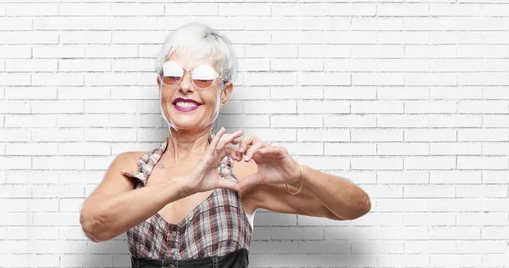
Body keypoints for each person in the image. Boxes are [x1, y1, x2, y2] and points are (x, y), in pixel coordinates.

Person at [79, 22, 371, 268]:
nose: (185, 86)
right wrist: (183, 185)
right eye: (173, 74)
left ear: (225, 93)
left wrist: (301, 175)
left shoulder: (242, 173)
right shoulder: (133, 168)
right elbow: (94, 225)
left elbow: (354, 207)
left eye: (203, 77)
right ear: (160, 86)